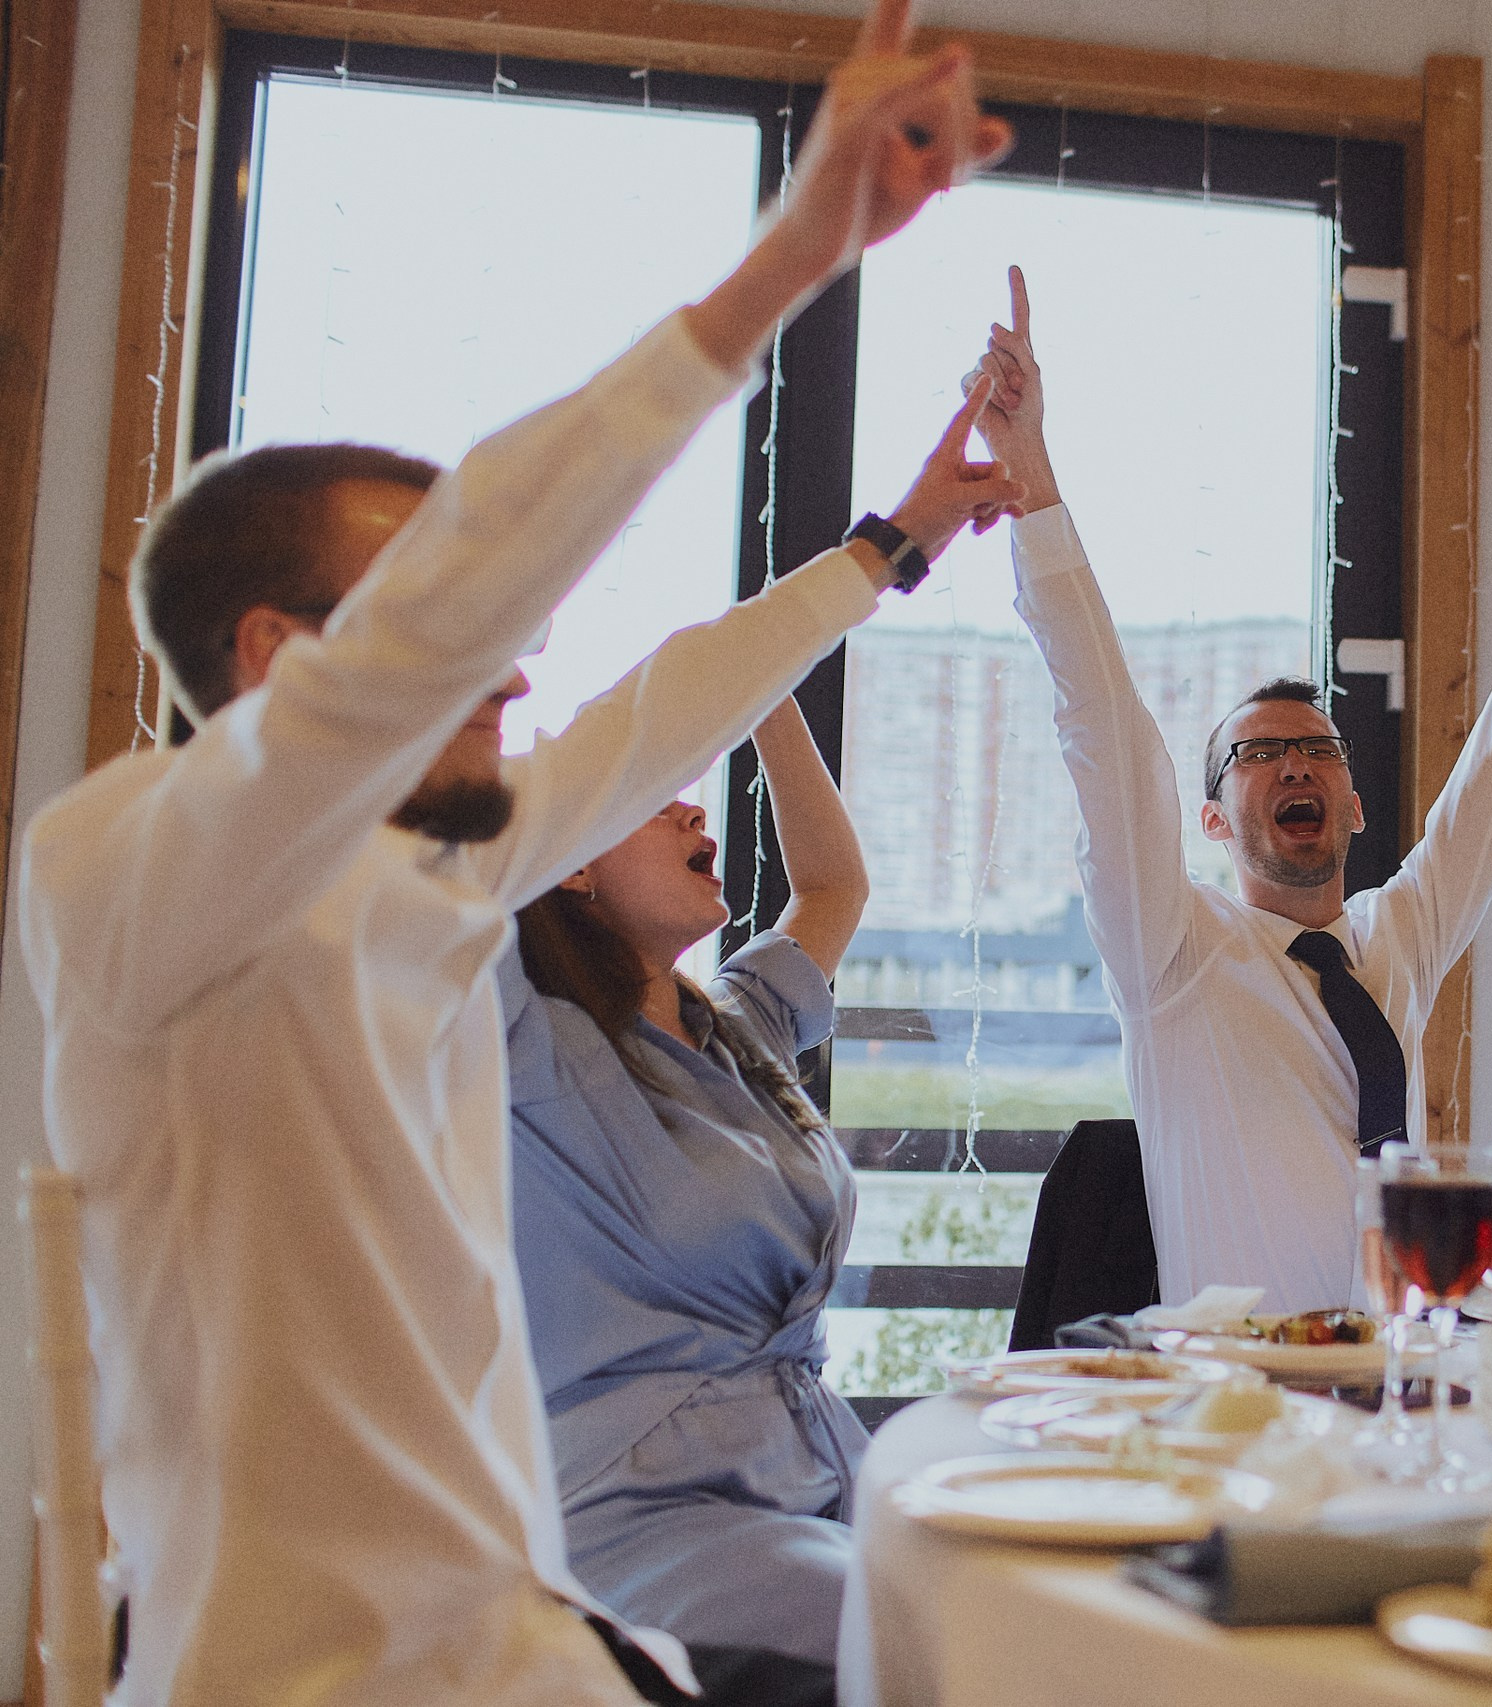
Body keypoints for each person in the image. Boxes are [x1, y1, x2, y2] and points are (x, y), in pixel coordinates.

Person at [15, 12, 1016, 1702]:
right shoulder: (123, 877)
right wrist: (786, 260)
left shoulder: (432, 878)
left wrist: (889, 548)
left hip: (535, 1641)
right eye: (454, 630)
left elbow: (649, 712)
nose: (517, 671)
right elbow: (470, 586)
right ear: (279, 661)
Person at [967, 267, 1492, 1313]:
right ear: (1210, 820)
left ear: (1355, 804)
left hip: (1407, 1380)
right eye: (1257, 756)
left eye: (1320, 751)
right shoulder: (1174, 952)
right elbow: (1103, 727)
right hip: (1241, 1405)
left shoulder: (1393, 940)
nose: (1294, 765)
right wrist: (1033, 481)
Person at [505, 689, 870, 1699]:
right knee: (926, 1625)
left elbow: (833, 886)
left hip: (815, 1470)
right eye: (650, 800)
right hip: (638, 1507)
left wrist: (769, 688)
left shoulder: (738, 1025)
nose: (694, 813)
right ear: (567, 863)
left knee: (1049, 1582)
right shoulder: (523, 1042)